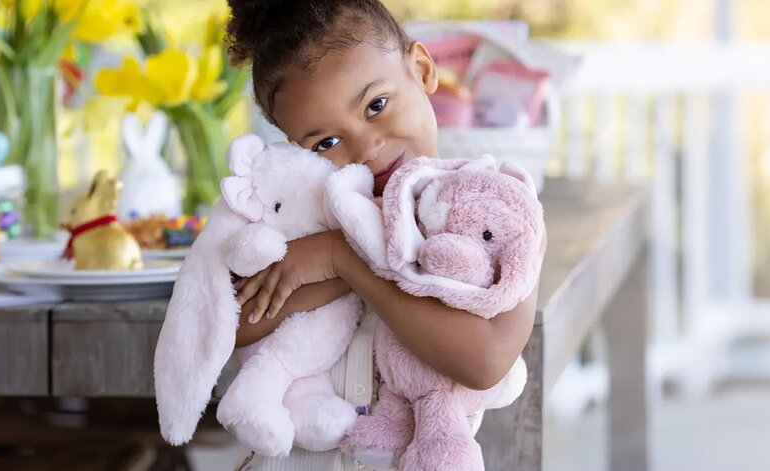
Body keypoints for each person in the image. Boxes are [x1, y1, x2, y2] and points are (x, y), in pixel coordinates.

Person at [216, 0, 540, 468]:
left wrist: (344, 260)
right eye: (325, 142)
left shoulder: (498, 208)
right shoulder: (295, 217)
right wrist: (330, 253)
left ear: (423, 70)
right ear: (295, 149)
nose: (367, 148)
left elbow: (485, 361)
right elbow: (230, 327)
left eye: (376, 105)